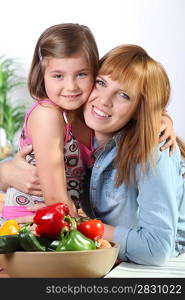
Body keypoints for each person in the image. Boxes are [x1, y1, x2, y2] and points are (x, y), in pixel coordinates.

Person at [81, 44, 185, 266]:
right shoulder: (76, 136)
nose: (104, 100)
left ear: (140, 109)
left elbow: (155, 249)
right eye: (101, 83)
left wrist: (84, 227)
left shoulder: (154, 147)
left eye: (123, 95)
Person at [0, 23, 99, 220]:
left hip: (62, 218)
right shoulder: (47, 114)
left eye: (81, 74)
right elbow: (55, 197)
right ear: (42, 75)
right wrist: (81, 222)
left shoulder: (92, 115)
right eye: (58, 76)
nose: (70, 87)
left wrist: (162, 119)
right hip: (27, 222)